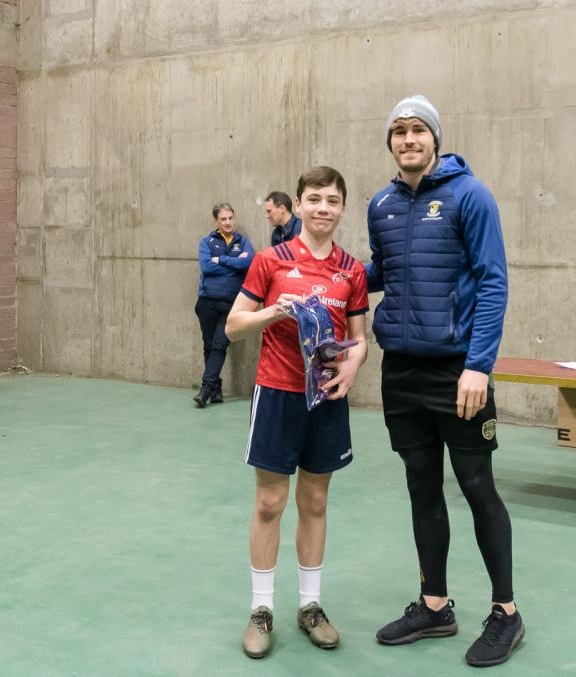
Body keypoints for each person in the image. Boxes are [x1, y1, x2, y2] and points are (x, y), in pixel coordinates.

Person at [366, 95, 523, 668]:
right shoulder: (380, 204)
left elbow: (492, 283)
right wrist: (325, 268)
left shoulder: (470, 195)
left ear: (435, 137)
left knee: (477, 486)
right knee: (421, 486)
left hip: (458, 373)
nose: (408, 140)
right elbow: (383, 272)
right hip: (401, 373)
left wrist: (478, 365)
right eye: (399, 131)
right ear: (391, 142)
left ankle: (506, 612)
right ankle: (435, 604)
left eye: (417, 130)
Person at [225, 166, 368, 659]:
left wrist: (350, 371)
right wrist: (273, 311)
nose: (323, 207)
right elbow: (233, 326)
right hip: (278, 394)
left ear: (343, 208)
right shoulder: (270, 260)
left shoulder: (352, 270)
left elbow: (359, 338)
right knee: (269, 503)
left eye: (332, 200)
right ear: (300, 205)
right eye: (314, 199)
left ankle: (310, 606)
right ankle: (261, 609)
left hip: (326, 397)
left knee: (315, 503)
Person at [194, 203, 253, 407]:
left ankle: (205, 389)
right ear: (216, 222)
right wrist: (233, 265)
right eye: (223, 219)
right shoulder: (206, 242)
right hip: (207, 303)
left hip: (231, 305)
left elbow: (248, 263)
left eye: (230, 218)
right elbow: (206, 266)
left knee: (219, 344)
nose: (227, 222)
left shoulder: (243, 242)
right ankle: (216, 390)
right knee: (209, 345)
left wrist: (221, 260)